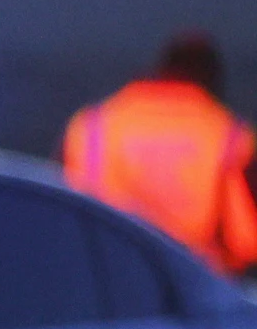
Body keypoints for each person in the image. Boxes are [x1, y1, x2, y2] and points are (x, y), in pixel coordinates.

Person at [65, 31, 257, 276]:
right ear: (212, 78)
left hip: (108, 280)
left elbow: (65, 214)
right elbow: (244, 242)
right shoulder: (231, 134)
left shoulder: (92, 125)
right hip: (193, 290)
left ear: (160, 68)